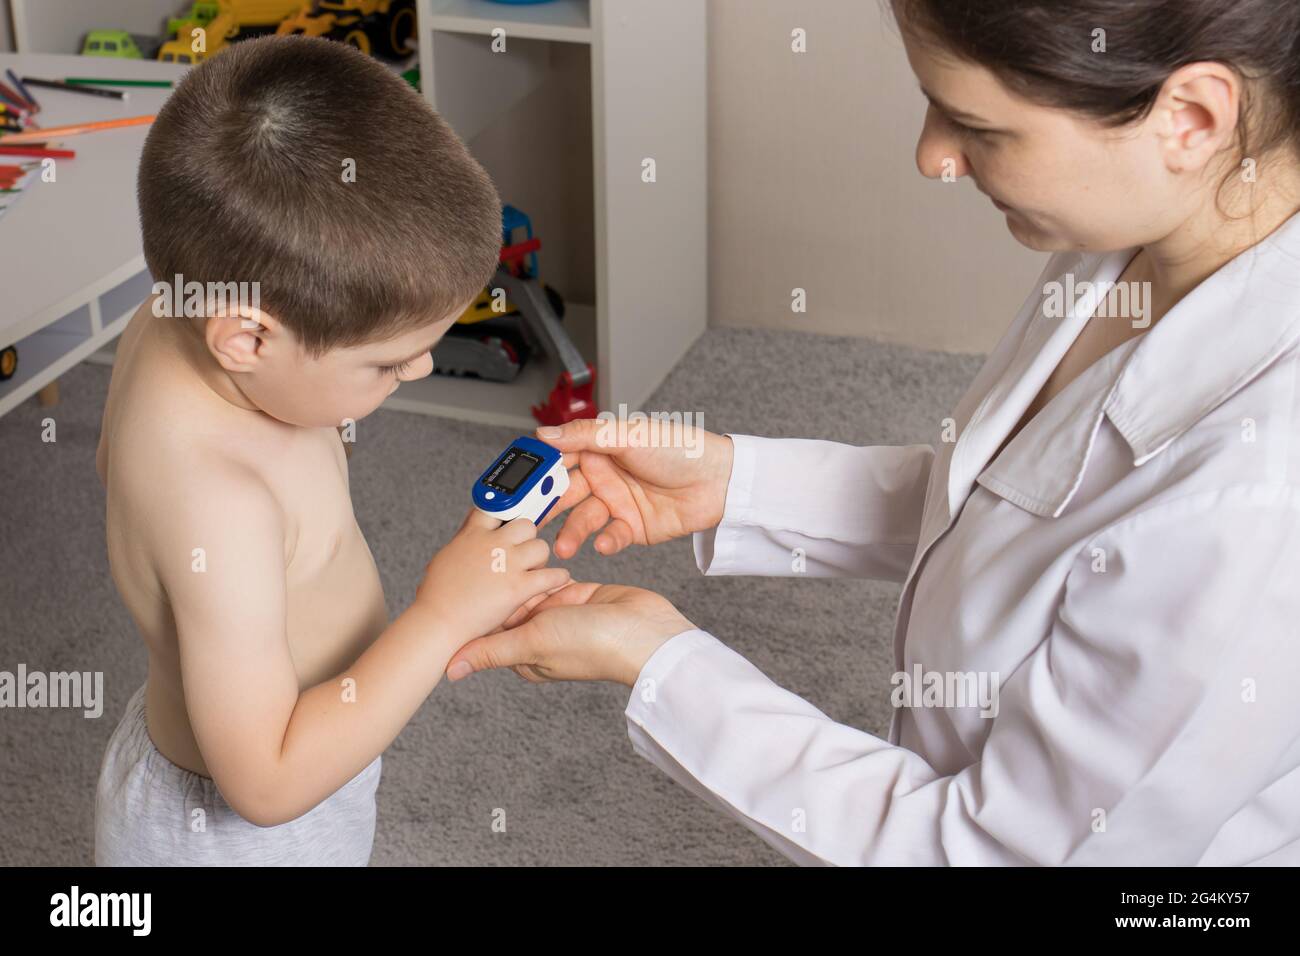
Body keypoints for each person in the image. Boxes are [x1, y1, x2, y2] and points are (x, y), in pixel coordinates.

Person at [447, 0, 1300, 865]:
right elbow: (1028, 509)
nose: (933, 156)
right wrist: (734, 482)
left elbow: (996, 853)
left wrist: (666, 666)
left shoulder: (1257, 498)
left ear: (1189, 119)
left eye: (976, 126)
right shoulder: (1138, 231)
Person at [94, 35, 569, 865]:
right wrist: (441, 616)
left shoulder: (177, 314)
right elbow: (267, 783)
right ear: (247, 338)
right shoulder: (220, 503)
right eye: (386, 362)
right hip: (239, 834)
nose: (420, 370)